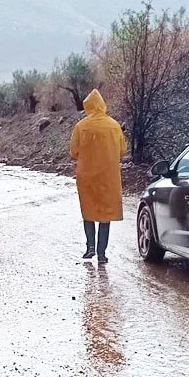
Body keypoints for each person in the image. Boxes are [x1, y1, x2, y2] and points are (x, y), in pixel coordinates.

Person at [69, 89, 127, 264]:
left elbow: (73, 151)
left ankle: (90, 247)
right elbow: (122, 150)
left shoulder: (81, 126)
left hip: (86, 177)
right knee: (105, 214)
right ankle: (102, 253)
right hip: (109, 177)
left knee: (88, 211)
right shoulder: (114, 126)